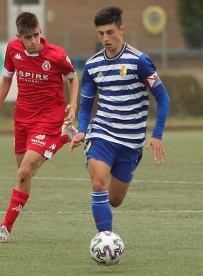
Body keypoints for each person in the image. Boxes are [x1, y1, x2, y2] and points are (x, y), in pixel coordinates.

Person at [69, 7, 170, 233]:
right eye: (101, 33)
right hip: (102, 133)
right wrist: (83, 129)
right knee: (98, 184)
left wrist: (157, 135)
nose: (105, 38)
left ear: (121, 30)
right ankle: (106, 242)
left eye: (110, 32)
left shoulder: (139, 61)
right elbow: (86, 106)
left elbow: (163, 98)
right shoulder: (92, 65)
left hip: (131, 142)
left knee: (115, 200)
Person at [0, 12, 79, 243]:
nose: (34, 41)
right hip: (23, 119)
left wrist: (73, 105)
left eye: (36, 35)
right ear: (20, 36)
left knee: (24, 171)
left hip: (48, 119)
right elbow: (7, 79)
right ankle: (63, 138)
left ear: (40, 31)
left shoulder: (56, 55)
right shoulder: (13, 49)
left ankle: (4, 228)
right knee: (26, 175)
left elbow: (72, 77)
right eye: (28, 37)